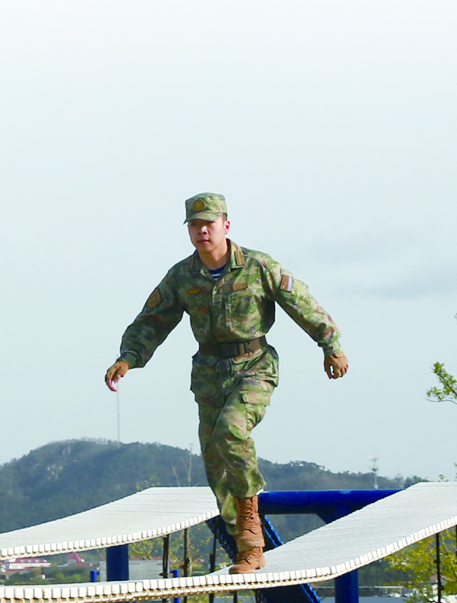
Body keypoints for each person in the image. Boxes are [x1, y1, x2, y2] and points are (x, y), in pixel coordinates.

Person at [104, 193, 347, 574]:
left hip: (254, 365)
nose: (202, 231)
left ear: (225, 225)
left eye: (209, 223)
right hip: (208, 372)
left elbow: (302, 303)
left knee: (231, 430)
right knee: (215, 463)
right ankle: (242, 539)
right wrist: (128, 358)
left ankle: (252, 536)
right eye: (194, 225)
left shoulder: (258, 265)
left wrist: (330, 345)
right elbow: (151, 321)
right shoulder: (182, 277)